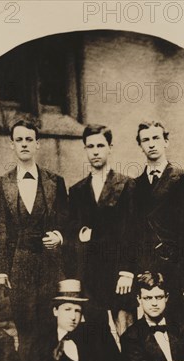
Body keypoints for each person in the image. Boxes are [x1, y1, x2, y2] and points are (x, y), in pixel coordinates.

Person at [0, 120, 69, 361]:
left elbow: (67, 222)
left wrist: (60, 236)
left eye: (29, 139)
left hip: (49, 266)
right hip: (19, 266)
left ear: (37, 144)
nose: (24, 144)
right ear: (12, 144)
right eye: (19, 140)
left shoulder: (55, 181)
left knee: (49, 326)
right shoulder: (1, 185)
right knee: (24, 329)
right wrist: (0, 270)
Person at [67, 125, 137, 336]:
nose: (95, 151)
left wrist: (127, 272)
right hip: (90, 276)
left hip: (118, 274)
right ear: (85, 150)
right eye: (90, 146)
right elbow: (73, 232)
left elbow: (132, 231)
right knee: (96, 338)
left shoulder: (126, 185)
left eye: (100, 145)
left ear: (110, 148)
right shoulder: (77, 190)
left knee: (128, 335)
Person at [134, 121, 184, 328]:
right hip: (149, 272)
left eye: (156, 138)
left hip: (177, 269)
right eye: (146, 140)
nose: (151, 144)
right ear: (140, 146)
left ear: (166, 142)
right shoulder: (134, 186)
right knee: (154, 332)